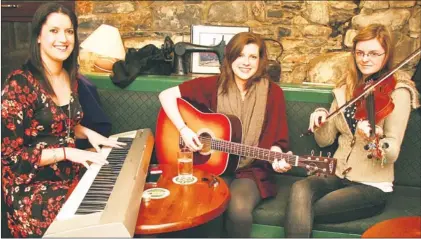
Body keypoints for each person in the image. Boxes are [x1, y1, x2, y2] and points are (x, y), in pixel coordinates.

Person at [283, 24, 420, 237]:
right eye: (360, 53)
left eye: (374, 53)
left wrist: (377, 139)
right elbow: (324, 141)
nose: (365, 59)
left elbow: (392, 152)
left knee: (304, 210)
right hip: (337, 173)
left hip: (371, 185)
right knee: (300, 189)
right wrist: (321, 120)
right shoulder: (346, 88)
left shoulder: (398, 91)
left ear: (386, 55)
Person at [1, 3, 124, 237]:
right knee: (98, 225)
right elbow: (9, 159)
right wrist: (67, 152)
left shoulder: (70, 77)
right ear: (38, 36)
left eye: (69, 31)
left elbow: (58, 124)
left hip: (68, 175)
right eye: (54, 31)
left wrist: (88, 133)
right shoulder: (19, 84)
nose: (64, 38)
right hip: (31, 188)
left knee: (117, 194)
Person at [158, 32, 291, 237]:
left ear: (260, 60)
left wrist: (277, 156)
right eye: (240, 55)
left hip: (251, 169)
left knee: (239, 212)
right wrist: (184, 130)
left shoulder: (273, 93)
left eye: (253, 57)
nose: (246, 63)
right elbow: (165, 95)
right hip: (211, 168)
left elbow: (277, 138)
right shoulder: (213, 85)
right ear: (230, 58)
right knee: (200, 206)